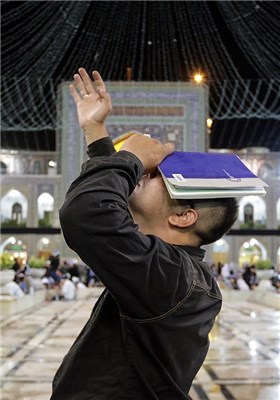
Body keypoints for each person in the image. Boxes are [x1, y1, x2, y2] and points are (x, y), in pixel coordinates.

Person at [50, 68, 238, 400]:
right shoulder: (174, 272)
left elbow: (88, 215)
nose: (143, 173)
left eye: (154, 177)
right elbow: (108, 216)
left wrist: (132, 156)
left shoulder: (172, 277)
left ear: (183, 216)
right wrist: (96, 131)